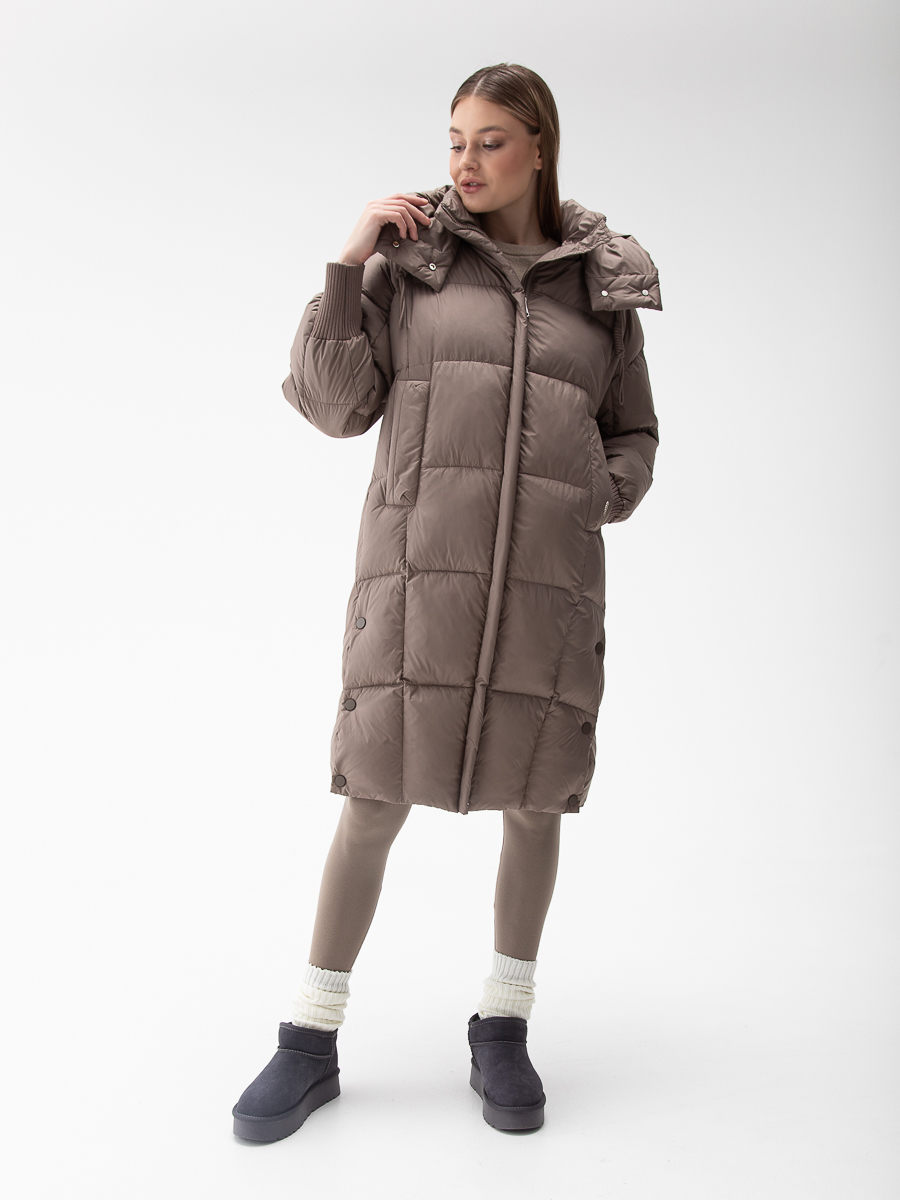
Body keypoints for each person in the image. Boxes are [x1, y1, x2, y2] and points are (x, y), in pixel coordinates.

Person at [232, 61, 662, 1142]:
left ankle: (503, 1026)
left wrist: (591, 494)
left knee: (536, 802)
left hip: (546, 591)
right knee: (373, 798)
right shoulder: (410, 264)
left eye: (490, 141)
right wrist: (347, 265)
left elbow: (634, 432)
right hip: (416, 583)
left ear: (539, 148)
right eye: (455, 140)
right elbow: (334, 408)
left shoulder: (599, 289)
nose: (465, 162)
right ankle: (309, 1038)